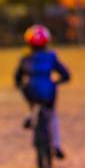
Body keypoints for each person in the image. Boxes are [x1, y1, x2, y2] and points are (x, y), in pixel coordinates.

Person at [15, 24, 71, 159]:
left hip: (31, 91)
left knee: (32, 104)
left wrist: (19, 85)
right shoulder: (51, 56)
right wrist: (57, 82)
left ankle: (30, 116)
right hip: (48, 92)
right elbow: (65, 74)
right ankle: (56, 145)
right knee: (52, 116)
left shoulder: (25, 57)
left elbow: (18, 76)